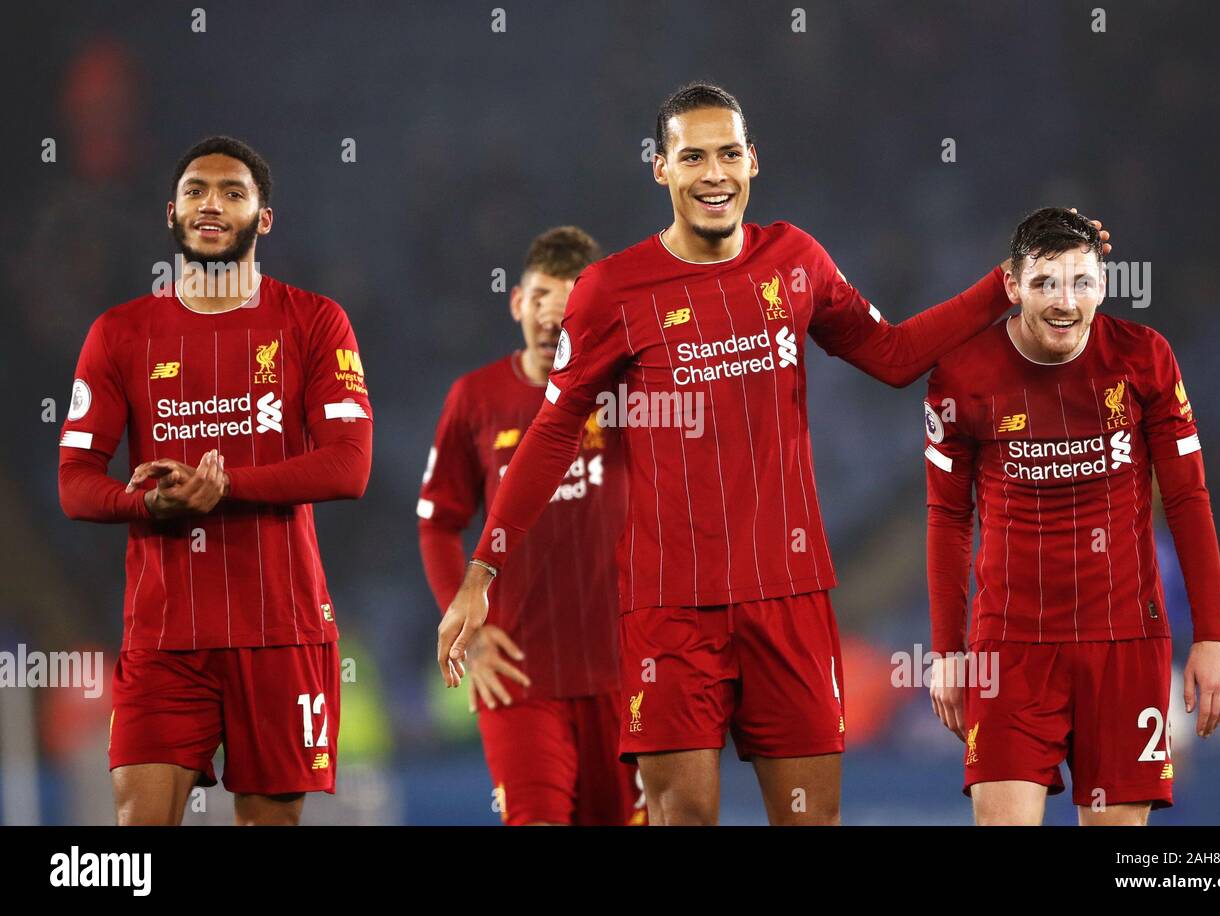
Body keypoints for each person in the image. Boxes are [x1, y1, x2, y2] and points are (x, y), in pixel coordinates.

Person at [437, 83, 1086, 825]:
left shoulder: (795, 260)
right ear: (661, 170)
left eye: (727, 153)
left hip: (789, 597)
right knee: (684, 819)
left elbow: (893, 353)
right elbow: (554, 434)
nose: (713, 173)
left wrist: (1001, 288)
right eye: (692, 157)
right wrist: (482, 571)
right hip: (670, 611)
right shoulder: (611, 291)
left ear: (752, 160)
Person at [58, 135, 372, 825]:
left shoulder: (316, 322)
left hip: (281, 627)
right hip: (165, 635)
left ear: (263, 219)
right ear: (171, 213)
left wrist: (224, 487)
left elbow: (350, 466)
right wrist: (147, 502)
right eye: (197, 190)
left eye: (233, 192)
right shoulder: (120, 334)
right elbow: (76, 483)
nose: (212, 204)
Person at [924, 207, 1220, 826]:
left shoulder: (1145, 359)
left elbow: (1189, 501)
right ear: (1011, 287)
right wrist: (947, 652)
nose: (1064, 302)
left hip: (1124, 643)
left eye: (1082, 282)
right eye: (1044, 284)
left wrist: (1213, 636)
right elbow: (947, 517)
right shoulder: (961, 376)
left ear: (1103, 285)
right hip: (1008, 650)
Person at [418, 226, 644, 825]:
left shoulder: (627, 389)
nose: (552, 319)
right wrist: (469, 628)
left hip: (626, 672)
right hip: (520, 677)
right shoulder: (475, 398)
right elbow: (438, 523)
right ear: (518, 301)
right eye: (541, 298)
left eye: (570, 305)